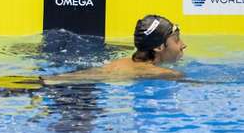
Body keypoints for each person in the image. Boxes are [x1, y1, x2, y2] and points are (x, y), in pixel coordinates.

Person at [47, 15, 186, 82]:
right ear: (159, 47)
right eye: (177, 40)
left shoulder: (123, 63)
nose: (183, 45)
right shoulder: (167, 74)